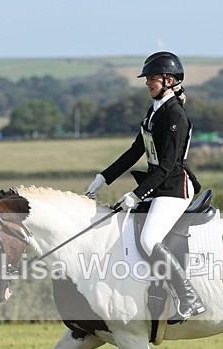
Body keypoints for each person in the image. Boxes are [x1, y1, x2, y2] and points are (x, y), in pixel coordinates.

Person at [85, 51, 205, 324]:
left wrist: (137, 194)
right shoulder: (155, 111)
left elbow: (166, 166)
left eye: (152, 78)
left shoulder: (175, 115)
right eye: (147, 78)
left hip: (175, 189)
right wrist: (104, 178)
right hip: (160, 186)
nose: (147, 83)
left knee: (149, 240)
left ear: (168, 80)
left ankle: (188, 298)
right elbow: (134, 151)